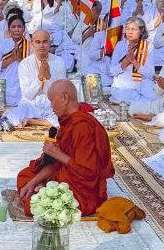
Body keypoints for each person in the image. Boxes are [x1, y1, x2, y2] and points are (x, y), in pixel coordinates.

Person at [16, 78, 114, 216]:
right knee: (25, 175)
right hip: (65, 173)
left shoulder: (82, 126)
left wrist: (58, 154)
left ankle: (44, 189)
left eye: (51, 100)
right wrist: (32, 183)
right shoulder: (70, 120)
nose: (50, 106)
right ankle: (41, 187)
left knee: (35, 206)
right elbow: (56, 163)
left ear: (64, 98)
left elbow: (89, 172)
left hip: (83, 190)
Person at [5, 29, 71, 127]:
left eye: (45, 42)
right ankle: (8, 113)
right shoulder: (24, 64)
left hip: (51, 103)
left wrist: (48, 77)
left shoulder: (59, 62)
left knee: (66, 118)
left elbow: (60, 93)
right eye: (38, 42)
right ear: (32, 44)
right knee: (16, 118)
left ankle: (32, 121)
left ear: (50, 43)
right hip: (31, 104)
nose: (42, 45)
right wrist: (39, 79)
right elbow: (28, 95)